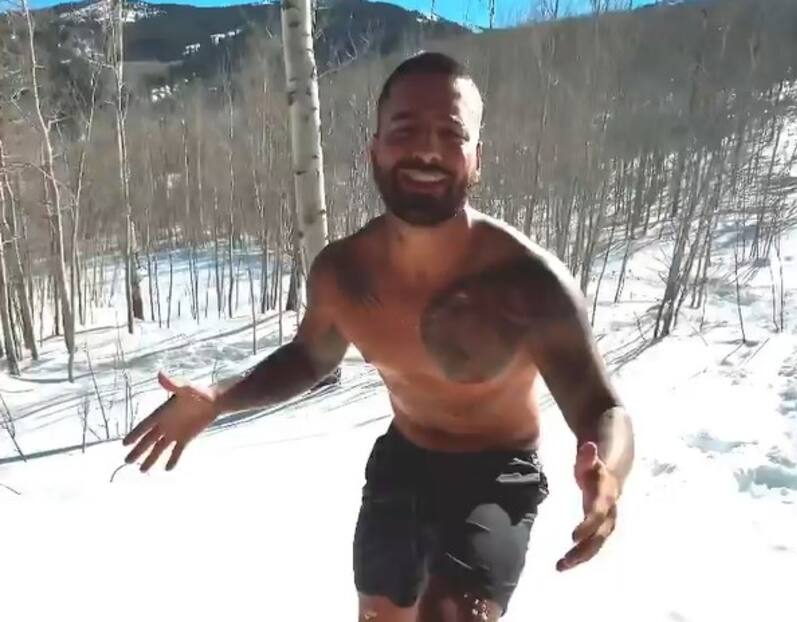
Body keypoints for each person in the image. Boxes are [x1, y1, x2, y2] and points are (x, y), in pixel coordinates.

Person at [122, 52, 635, 622]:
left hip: (498, 470)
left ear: (477, 157)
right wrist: (220, 397)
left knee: (454, 615)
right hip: (404, 461)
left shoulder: (530, 283)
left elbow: (601, 406)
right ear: (374, 150)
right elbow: (310, 357)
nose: (427, 151)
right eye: (406, 130)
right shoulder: (343, 273)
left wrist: (608, 471)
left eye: (451, 134)